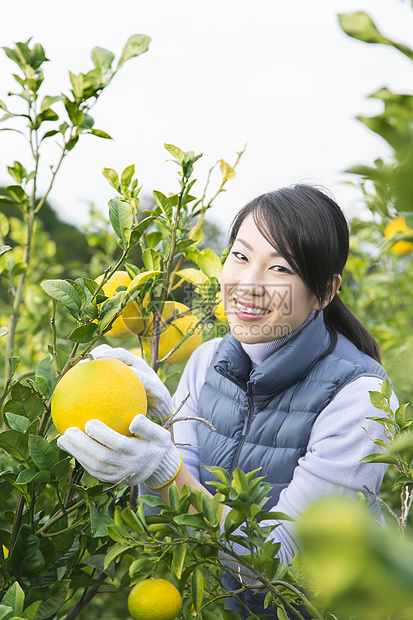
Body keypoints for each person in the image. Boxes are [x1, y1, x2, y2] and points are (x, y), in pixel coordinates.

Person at [58, 184, 396, 618]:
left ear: (325, 292)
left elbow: (282, 566)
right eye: (240, 256)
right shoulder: (204, 363)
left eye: (280, 268)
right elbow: (168, 528)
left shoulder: (360, 396)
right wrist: (157, 425)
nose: (248, 284)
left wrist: (165, 469)